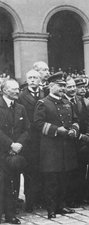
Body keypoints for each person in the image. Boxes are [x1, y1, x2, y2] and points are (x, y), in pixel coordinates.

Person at [33, 74, 79, 219]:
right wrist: (56, 130)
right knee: (52, 180)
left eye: (64, 85)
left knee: (64, 178)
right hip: (51, 148)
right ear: (51, 86)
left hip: (67, 147)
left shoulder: (68, 103)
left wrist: (74, 130)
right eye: (60, 85)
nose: (63, 88)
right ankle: (51, 209)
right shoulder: (43, 103)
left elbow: (76, 120)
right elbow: (38, 124)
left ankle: (61, 205)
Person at [0, 79, 30, 224]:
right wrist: (10, 144)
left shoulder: (20, 108)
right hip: (2, 151)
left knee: (14, 182)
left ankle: (11, 214)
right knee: (1, 182)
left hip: (16, 151)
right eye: (14, 89)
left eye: (18, 88)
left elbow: (26, 129)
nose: (17, 91)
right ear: (5, 90)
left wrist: (19, 144)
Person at [17, 70, 45, 212]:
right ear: (27, 80)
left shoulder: (44, 93)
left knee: (44, 169)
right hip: (30, 140)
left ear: (40, 80)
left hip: (44, 138)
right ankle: (31, 202)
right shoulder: (21, 96)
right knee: (30, 171)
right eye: (30, 78)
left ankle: (42, 199)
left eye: (35, 78)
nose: (32, 80)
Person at [63, 78, 89, 207]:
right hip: (69, 141)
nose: (73, 89)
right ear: (64, 89)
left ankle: (80, 196)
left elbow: (86, 120)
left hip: (82, 142)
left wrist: (87, 134)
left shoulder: (80, 101)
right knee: (70, 172)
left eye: (74, 86)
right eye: (69, 87)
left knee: (81, 170)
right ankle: (69, 199)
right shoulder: (62, 102)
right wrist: (78, 135)